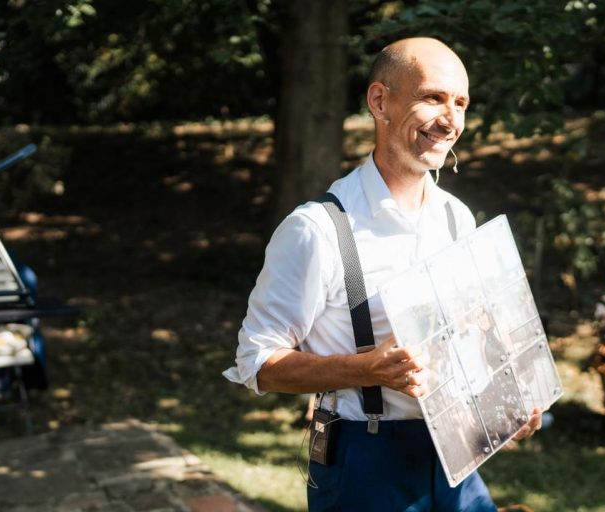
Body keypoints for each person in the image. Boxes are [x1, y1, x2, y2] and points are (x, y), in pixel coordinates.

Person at [224, 37, 542, 511]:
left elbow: (470, 333)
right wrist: (364, 370)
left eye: (460, 103)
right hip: (365, 459)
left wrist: (504, 402)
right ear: (380, 102)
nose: (451, 119)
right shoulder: (318, 230)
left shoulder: (457, 217)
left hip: (456, 453)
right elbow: (257, 365)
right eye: (433, 97)